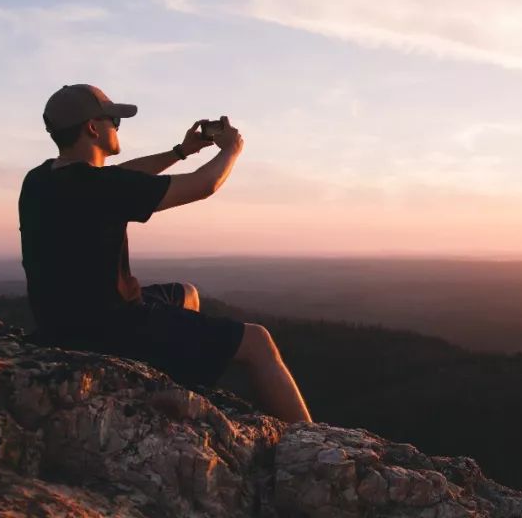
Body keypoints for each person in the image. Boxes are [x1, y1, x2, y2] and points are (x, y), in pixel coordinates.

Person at [17, 83, 311, 423]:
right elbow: (204, 184)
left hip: (61, 322)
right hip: (106, 329)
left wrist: (180, 151)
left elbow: (122, 176)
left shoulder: (39, 180)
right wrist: (231, 150)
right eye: (114, 120)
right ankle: (311, 444)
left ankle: (177, 373)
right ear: (93, 128)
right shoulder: (98, 187)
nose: (117, 126)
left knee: (186, 294)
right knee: (258, 342)